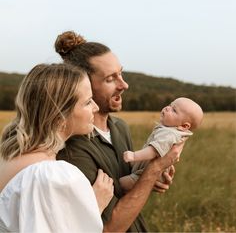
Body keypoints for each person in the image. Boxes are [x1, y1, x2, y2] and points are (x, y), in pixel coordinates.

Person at [55, 31, 184, 232]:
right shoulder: (72, 147)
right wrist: (154, 169)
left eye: (121, 73)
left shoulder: (120, 128)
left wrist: (147, 178)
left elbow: (126, 191)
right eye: (110, 79)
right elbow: (109, 228)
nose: (124, 85)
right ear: (83, 86)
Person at [0, 63, 114, 233]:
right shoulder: (49, 176)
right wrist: (95, 206)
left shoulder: (9, 156)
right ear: (60, 115)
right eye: (88, 102)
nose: (96, 108)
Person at [120, 97, 203, 191]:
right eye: (170, 105)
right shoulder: (169, 130)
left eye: (174, 110)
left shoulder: (170, 134)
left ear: (183, 126)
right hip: (145, 167)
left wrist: (134, 156)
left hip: (147, 173)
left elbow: (153, 151)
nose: (167, 108)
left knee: (122, 184)